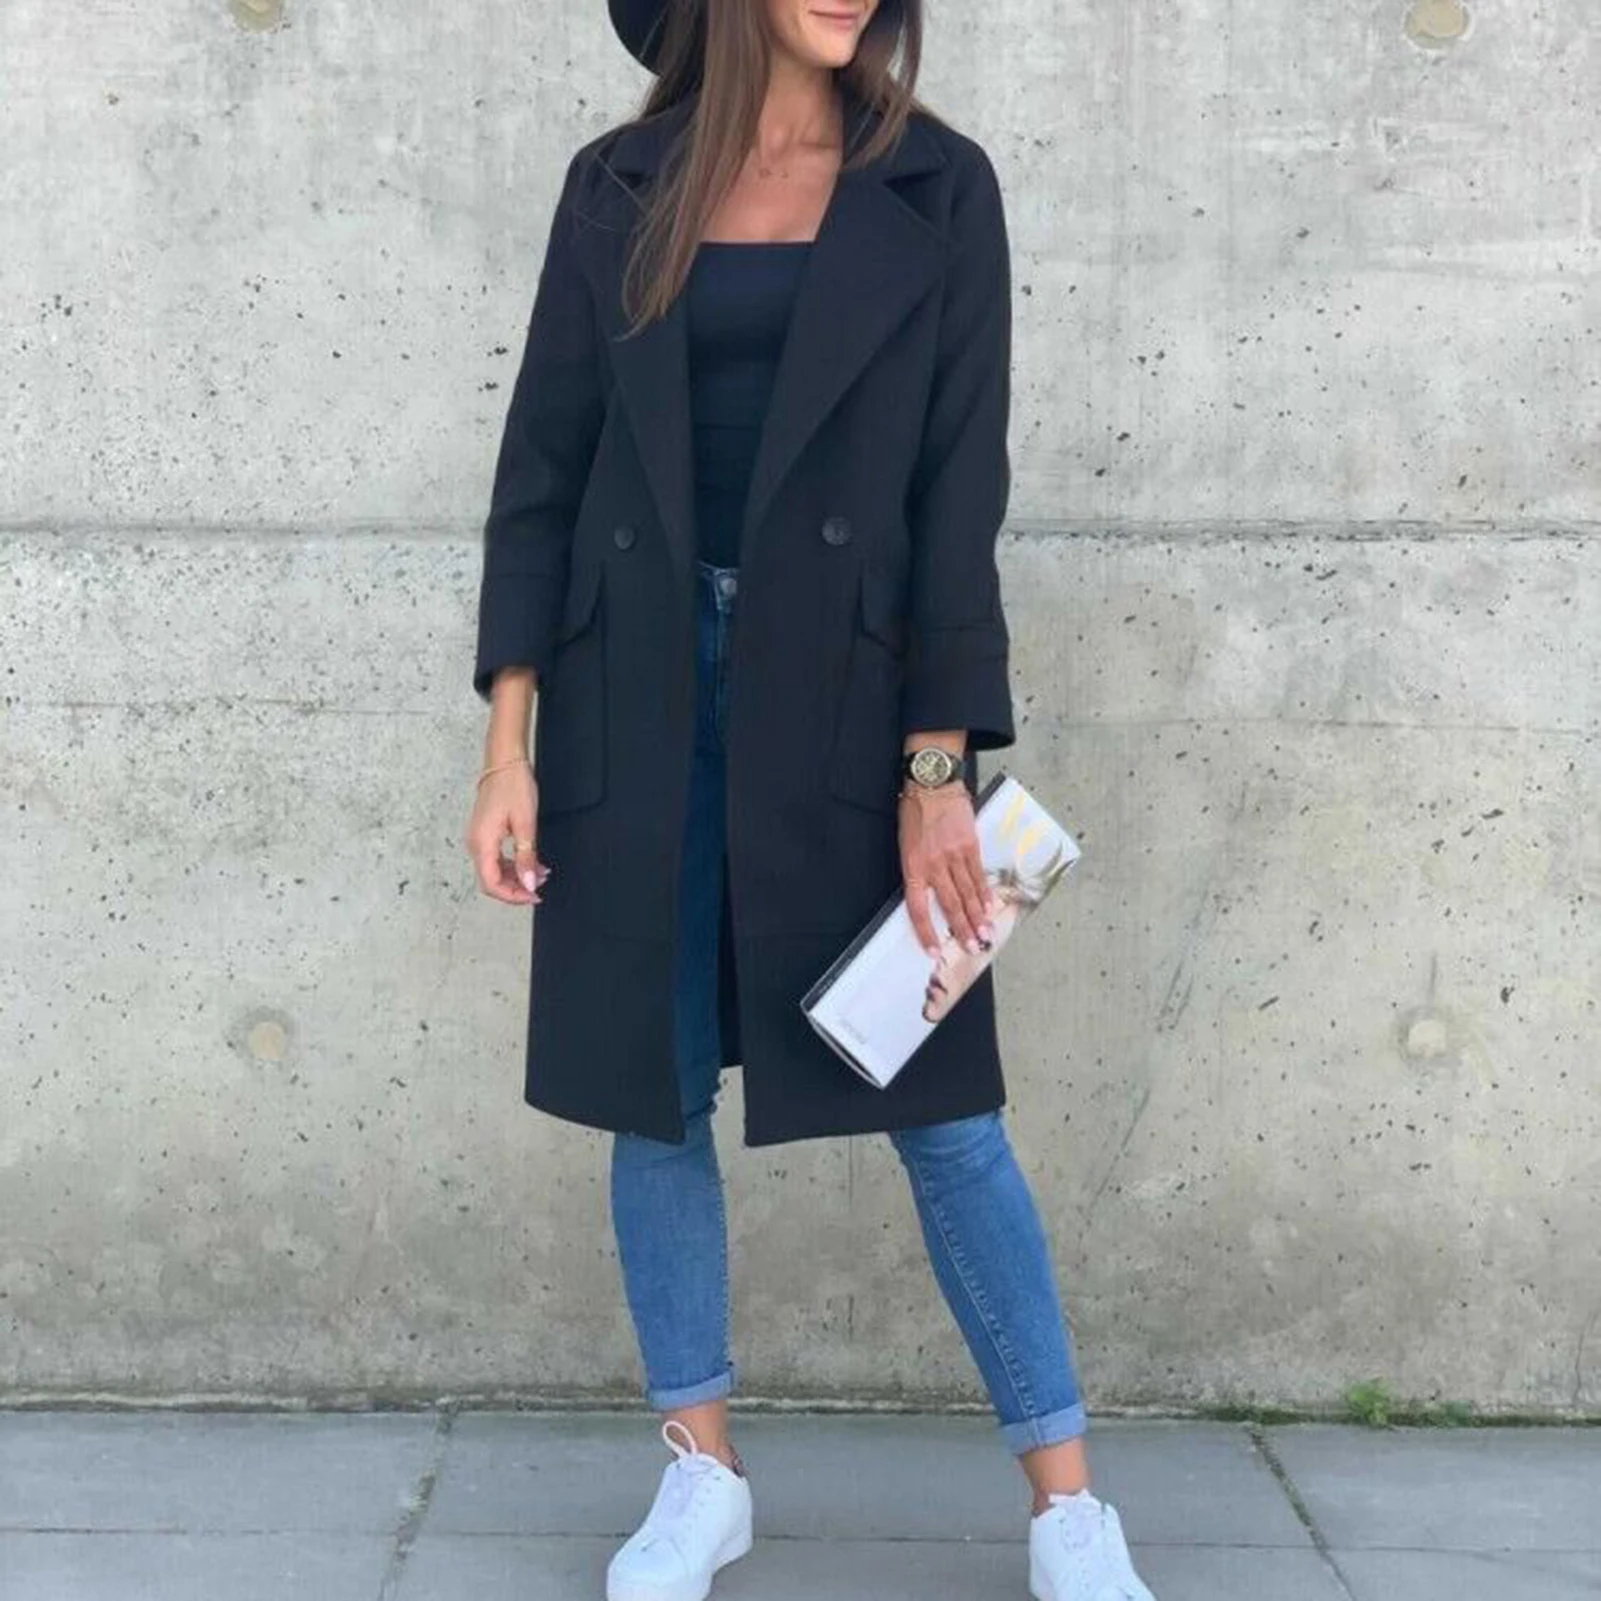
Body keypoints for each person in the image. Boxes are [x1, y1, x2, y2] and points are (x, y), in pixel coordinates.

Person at [463, 2, 1158, 1597]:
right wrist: (509, 744)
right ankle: (699, 1474)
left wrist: (938, 767)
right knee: (652, 1093)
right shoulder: (616, 188)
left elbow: (957, 495)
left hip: (848, 698)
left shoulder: (938, 186)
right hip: (635, 686)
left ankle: (1068, 1507)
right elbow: (543, 474)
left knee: (945, 1109)